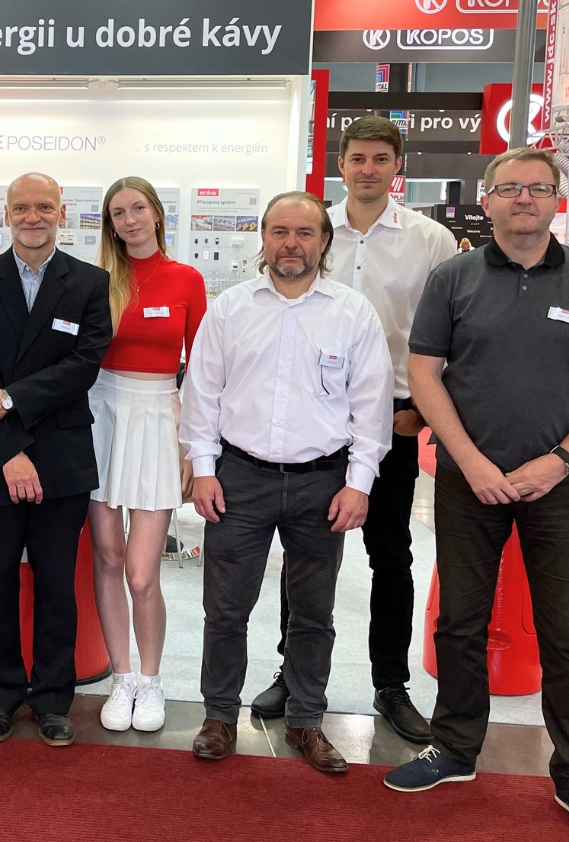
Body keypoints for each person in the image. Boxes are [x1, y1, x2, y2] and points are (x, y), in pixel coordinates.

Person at [386, 148, 569, 842]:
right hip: (469, 480)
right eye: (509, 188)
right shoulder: (453, 276)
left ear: (557, 199)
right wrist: (469, 461)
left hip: (563, 485)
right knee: (459, 621)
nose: (523, 198)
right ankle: (454, 746)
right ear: (487, 200)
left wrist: (560, 460)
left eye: (538, 187)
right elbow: (425, 373)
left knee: (568, 635)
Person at [251, 117, 456, 743]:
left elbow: (450, 332)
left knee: (391, 556)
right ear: (340, 164)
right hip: (314, 420)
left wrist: (423, 412)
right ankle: (293, 673)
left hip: (393, 415)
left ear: (398, 167)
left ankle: (391, 685)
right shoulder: (312, 229)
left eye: (380, 158)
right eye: (358, 158)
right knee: (304, 555)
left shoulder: (431, 240)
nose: (368, 169)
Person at [180, 191, 391, 774]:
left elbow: (371, 407)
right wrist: (204, 471)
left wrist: (359, 484)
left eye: (303, 233)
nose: (290, 244)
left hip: (322, 485)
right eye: (279, 232)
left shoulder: (353, 312)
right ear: (264, 238)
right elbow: (202, 394)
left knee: (313, 614)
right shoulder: (231, 308)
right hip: (239, 480)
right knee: (226, 610)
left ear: (324, 241)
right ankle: (219, 716)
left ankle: (305, 720)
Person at [0, 172, 112, 747]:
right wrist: (12, 452)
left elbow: (83, 366)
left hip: (62, 458)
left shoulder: (90, 282)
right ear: (6, 214)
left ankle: (52, 698)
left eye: (44, 206)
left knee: (56, 585)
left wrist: (11, 400)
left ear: (62, 213)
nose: (33, 216)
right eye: (21, 207)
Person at [88, 177, 207, 734]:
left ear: (157, 214)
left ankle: (152, 679)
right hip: (101, 415)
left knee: (141, 574)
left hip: (160, 417)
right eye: (118, 212)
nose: (130, 219)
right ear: (109, 224)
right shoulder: (96, 281)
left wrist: (193, 448)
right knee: (108, 558)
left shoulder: (187, 279)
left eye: (138, 208)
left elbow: (203, 371)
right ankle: (122, 677)